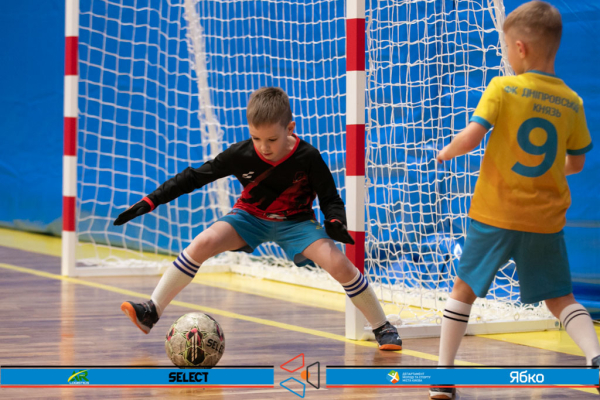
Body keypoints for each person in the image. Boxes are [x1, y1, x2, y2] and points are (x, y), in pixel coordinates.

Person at [114, 87, 402, 350]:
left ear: (290, 128)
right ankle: (152, 310)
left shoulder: (308, 156)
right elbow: (193, 177)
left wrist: (335, 221)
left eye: (272, 139)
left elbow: (330, 199)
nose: (263, 147)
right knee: (203, 242)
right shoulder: (240, 154)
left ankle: (382, 326)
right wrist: (152, 200)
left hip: (297, 223)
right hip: (249, 217)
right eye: (256, 138)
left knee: (339, 263)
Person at [428, 2, 597, 399]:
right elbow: (576, 163)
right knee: (561, 297)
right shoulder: (572, 101)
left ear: (519, 48)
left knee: (463, 289)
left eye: (506, 47)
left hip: (496, 213)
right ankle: (595, 358)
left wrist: (445, 152)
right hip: (544, 220)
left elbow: (471, 138)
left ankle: (442, 376)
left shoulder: (502, 88)